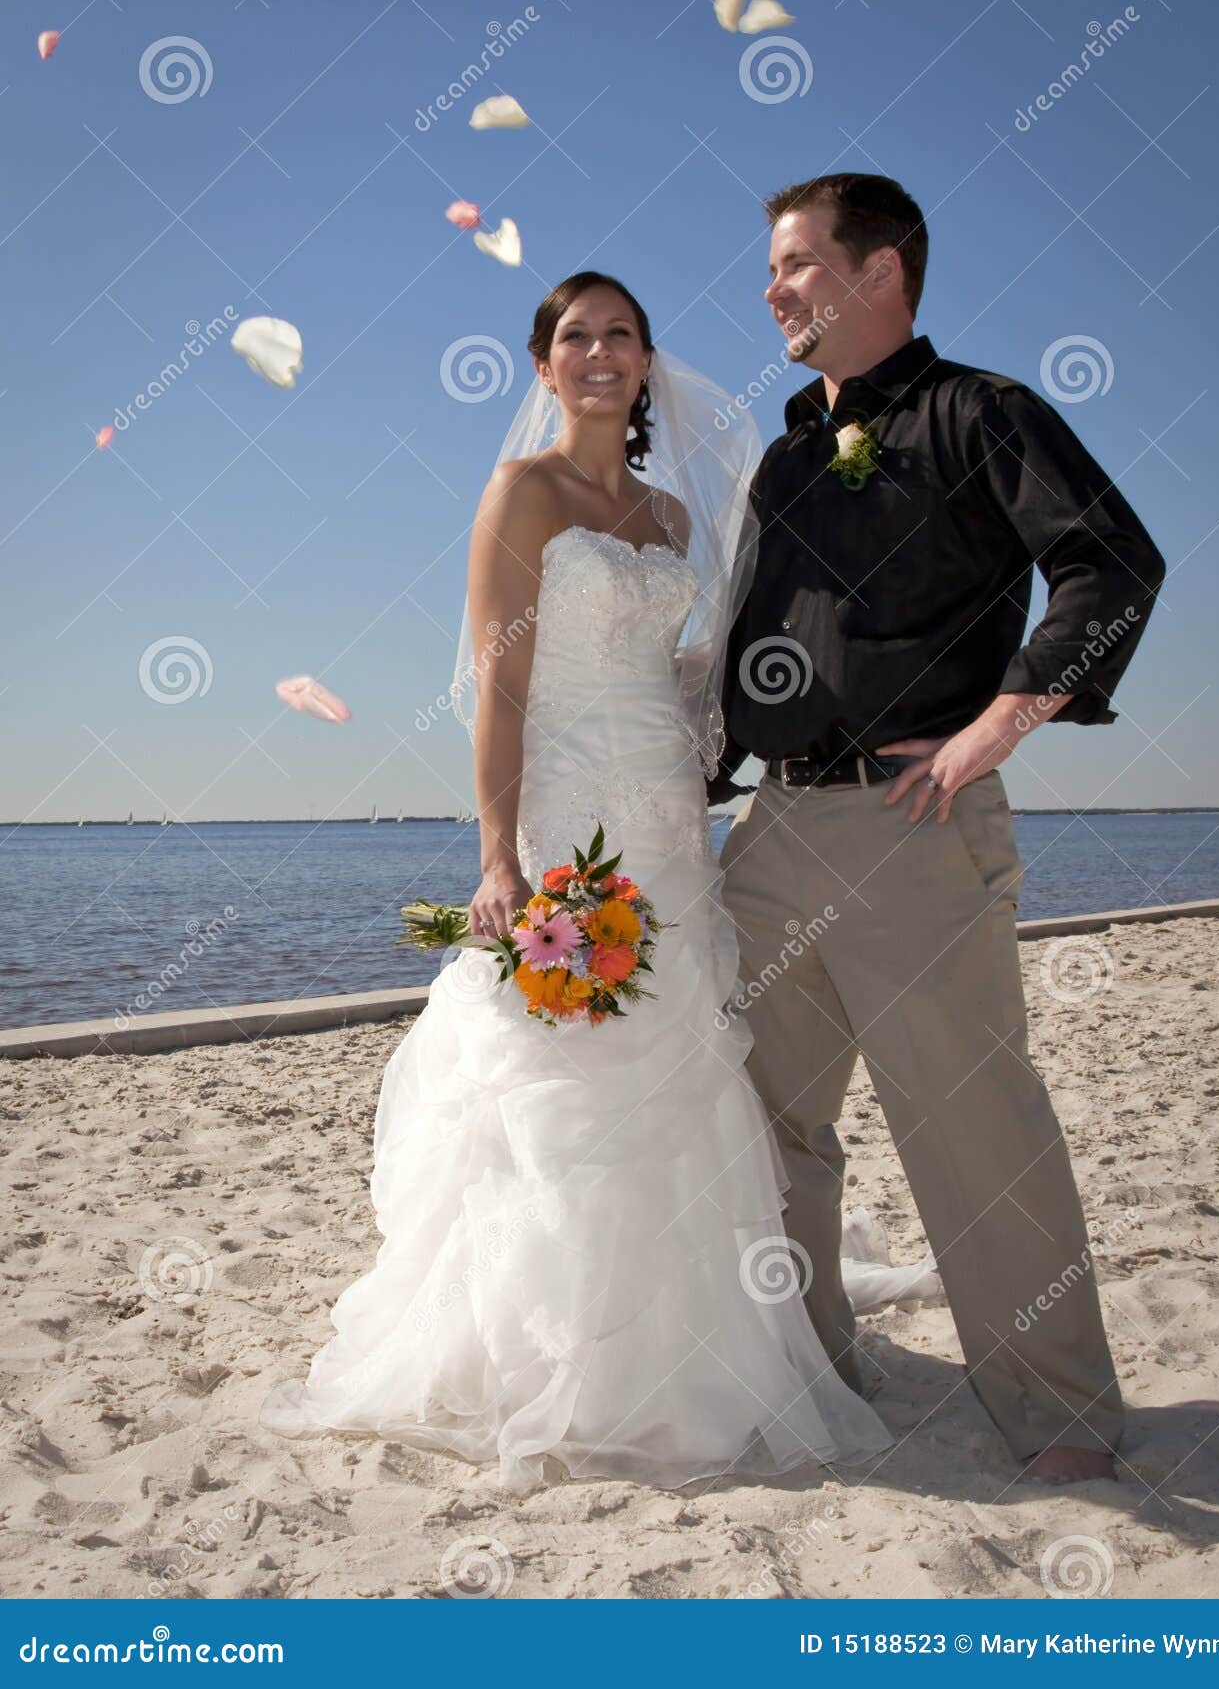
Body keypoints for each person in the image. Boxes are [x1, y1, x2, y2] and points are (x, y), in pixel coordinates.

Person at [258, 270, 898, 1495]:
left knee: (685, 1062)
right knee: (567, 1072)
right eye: (573, 337)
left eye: (620, 335)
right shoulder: (523, 494)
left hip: (668, 819)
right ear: (543, 368)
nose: (598, 352)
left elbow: (689, 678)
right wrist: (498, 856)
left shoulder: (670, 518)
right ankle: (558, 1356)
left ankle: (697, 1344)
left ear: (648, 363)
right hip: (566, 815)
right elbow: (500, 686)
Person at [707, 173, 1166, 1485]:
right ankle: (809, 1372)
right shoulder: (788, 455)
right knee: (760, 1130)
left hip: (917, 825)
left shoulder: (983, 412)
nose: (771, 286)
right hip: (771, 835)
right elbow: (756, 641)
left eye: (795, 262)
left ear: (878, 273)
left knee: (972, 1127)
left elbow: (1111, 565)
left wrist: (998, 725)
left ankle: (1058, 1409)